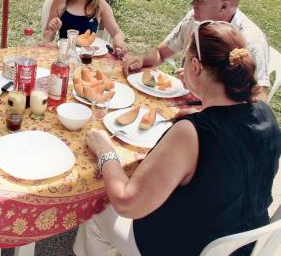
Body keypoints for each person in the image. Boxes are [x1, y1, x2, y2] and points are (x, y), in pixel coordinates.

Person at [74, 22, 281, 255]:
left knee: (98, 207)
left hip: (183, 246)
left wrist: (105, 151)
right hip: (248, 246)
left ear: (195, 66)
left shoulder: (192, 133)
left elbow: (126, 203)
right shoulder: (266, 114)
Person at [122, 0, 270, 102]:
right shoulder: (195, 18)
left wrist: (203, 86)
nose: (193, 4)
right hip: (188, 102)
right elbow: (161, 53)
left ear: (224, 6)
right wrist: (141, 58)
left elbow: (260, 99)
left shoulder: (250, 40)